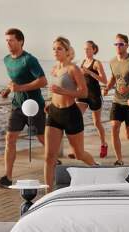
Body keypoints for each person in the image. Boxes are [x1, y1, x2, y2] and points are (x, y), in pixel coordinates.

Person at [0, 28, 47, 188]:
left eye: (11, 40)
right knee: (10, 139)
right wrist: (8, 90)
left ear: (21, 41)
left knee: (42, 139)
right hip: (17, 106)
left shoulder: (29, 60)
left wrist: (20, 88)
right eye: (6, 40)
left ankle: (54, 163)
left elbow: (43, 81)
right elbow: (14, 81)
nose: (8, 43)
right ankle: (7, 177)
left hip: (35, 105)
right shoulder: (6, 60)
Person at [45, 37, 97, 192]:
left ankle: (96, 169)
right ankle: (48, 193)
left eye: (59, 49)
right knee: (49, 156)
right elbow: (53, 91)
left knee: (79, 154)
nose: (55, 51)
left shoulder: (73, 69)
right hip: (54, 113)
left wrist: (63, 92)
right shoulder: (54, 69)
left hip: (70, 114)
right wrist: (49, 103)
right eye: (54, 48)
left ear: (67, 51)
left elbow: (84, 92)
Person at [103, 34, 129, 166]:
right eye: (116, 44)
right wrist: (108, 88)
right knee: (114, 127)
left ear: (127, 45)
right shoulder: (112, 61)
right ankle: (119, 160)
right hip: (117, 100)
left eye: (121, 44)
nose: (118, 46)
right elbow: (114, 77)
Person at [75, 41, 108, 158]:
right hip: (83, 95)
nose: (86, 51)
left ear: (94, 50)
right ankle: (77, 148)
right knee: (76, 118)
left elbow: (104, 80)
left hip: (94, 96)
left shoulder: (96, 63)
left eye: (88, 49)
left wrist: (89, 72)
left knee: (97, 123)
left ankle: (104, 144)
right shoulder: (82, 62)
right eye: (84, 49)